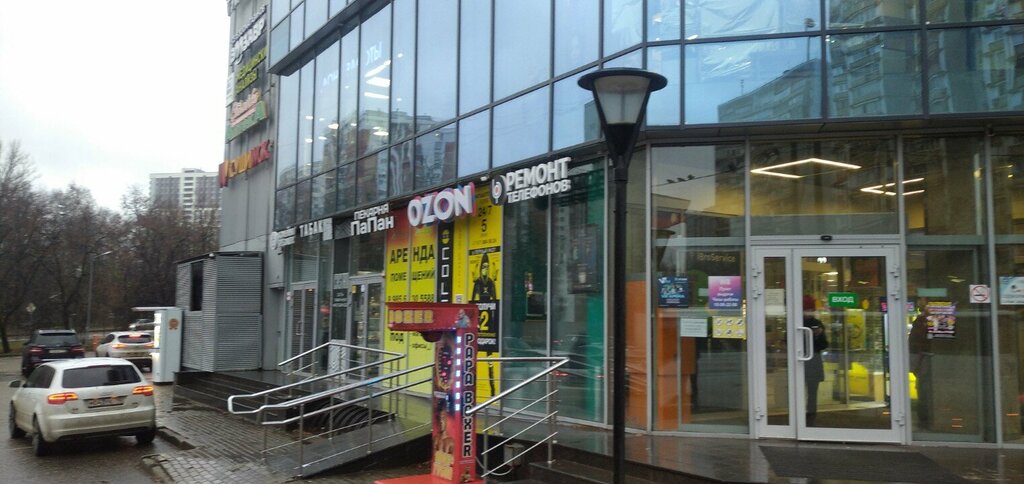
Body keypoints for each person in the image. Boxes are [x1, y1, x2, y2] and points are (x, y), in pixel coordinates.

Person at [803, 295, 828, 426]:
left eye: (810, 310)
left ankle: (811, 416)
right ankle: (802, 416)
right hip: (803, 361)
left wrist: (818, 335)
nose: (809, 312)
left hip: (813, 361)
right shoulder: (796, 323)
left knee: (812, 393)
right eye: (806, 310)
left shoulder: (818, 324)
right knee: (799, 391)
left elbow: (824, 344)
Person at [909, 298, 933, 430]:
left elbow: (914, 344)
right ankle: (925, 421)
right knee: (924, 392)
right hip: (924, 361)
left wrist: (914, 366)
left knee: (923, 393)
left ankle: (924, 421)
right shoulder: (922, 322)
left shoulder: (920, 322)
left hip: (923, 361)